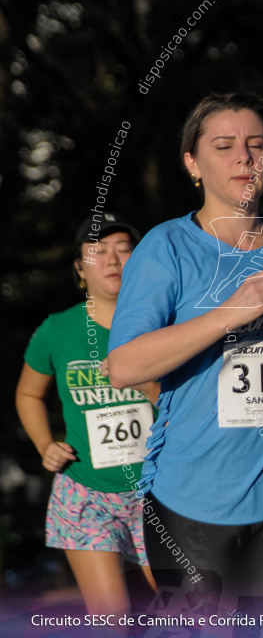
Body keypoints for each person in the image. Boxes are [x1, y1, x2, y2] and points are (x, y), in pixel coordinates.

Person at [106, 93, 263, 608]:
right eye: (224, 146)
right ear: (192, 164)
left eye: (257, 145)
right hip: (192, 497)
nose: (245, 157)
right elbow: (123, 366)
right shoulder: (166, 246)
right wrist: (229, 313)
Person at [15, 212, 158, 623]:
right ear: (80, 267)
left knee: (171, 609)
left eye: (125, 250)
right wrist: (45, 445)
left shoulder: (166, 324)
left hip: (158, 491)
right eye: (99, 251)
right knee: (113, 616)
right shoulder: (57, 330)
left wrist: (150, 388)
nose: (113, 260)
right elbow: (27, 394)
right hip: (86, 492)